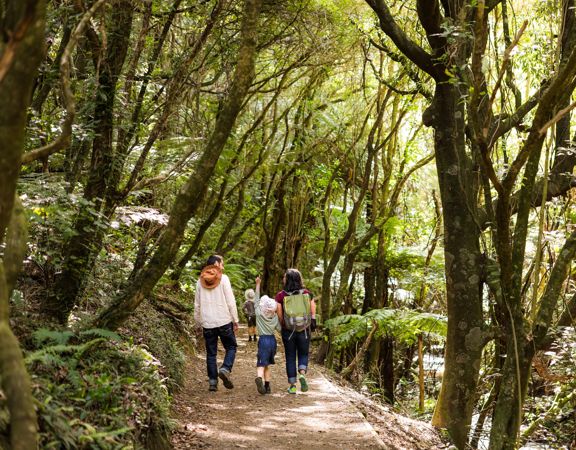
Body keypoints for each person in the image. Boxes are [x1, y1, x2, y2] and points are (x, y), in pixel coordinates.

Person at [194, 255, 239, 392]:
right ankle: (225, 368)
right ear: (215, 264)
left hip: (207, 322)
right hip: (224, 320)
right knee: (231, 346)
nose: (223, 267)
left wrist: (198, 323)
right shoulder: (224, 279)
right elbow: (231, 301)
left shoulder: (199, 281)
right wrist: (235, 320)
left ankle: (213, 382)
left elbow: (197, 305)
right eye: (222, 264)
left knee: (211, 353)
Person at [275, 268, 317, 394]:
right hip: (304, 329)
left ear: (287, 279)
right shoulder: (307, 293)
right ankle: (302, 373)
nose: (283, 278)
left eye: (284, 277)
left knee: (290, 356)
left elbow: (279, 313)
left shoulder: (281, 295)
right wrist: (313, 321)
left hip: (288, 330)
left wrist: (284, 324)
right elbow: (312, 307)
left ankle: (292, 385)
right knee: (303, 354)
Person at [254, 276, 281, 394]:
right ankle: (267, 386)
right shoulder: (275, 318)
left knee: (261, 363)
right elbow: (280, 329)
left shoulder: (259, 314)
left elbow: (256, 299)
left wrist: (258, 284)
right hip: (272, 341)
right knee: (267, 364)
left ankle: (259, 378)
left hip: (263, 340)